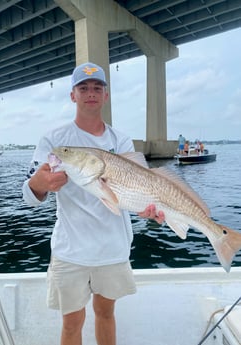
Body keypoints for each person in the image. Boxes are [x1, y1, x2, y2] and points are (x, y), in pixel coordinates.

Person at [22, 62, 165, 345]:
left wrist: (147, 210)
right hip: (70, 249)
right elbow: (29, 192)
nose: (91, 93)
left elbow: (133, 193)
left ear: (105, 96)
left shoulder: (120, 140)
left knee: (106, 312)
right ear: (72, 95)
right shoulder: (54, 141)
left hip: (112, 247)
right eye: (83, 88)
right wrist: (41, 184)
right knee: (72, 323)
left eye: (97, 88)